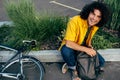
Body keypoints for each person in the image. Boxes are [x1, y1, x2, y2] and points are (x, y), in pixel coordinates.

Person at [59, 1, 110, 80]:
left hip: (82, 47)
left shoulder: (95, 25)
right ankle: (73, 69)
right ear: (88, 12)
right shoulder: (75, 21)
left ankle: (74, 62)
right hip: (71, 47)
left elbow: (88, 37)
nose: (94, 18)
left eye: (98, 16)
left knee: (102, 62)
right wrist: (86, 50)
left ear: (101, 19)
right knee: (66, 51)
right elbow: (68, 43)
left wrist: (89, 46)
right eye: (93, 14)